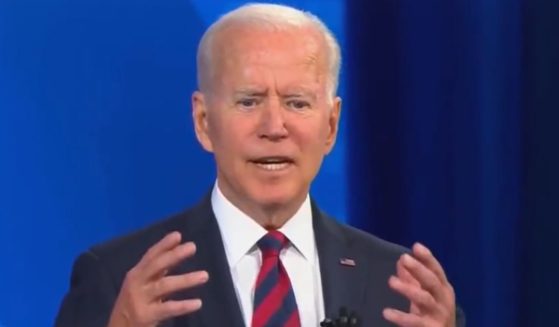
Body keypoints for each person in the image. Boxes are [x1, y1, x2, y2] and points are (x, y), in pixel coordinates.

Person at [55, 3, 465, 327]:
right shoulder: (116, 279)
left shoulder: (401, 289)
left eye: (297, 103)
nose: (274, 127)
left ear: (331, 125)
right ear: (203, 122)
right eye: (249, 101)